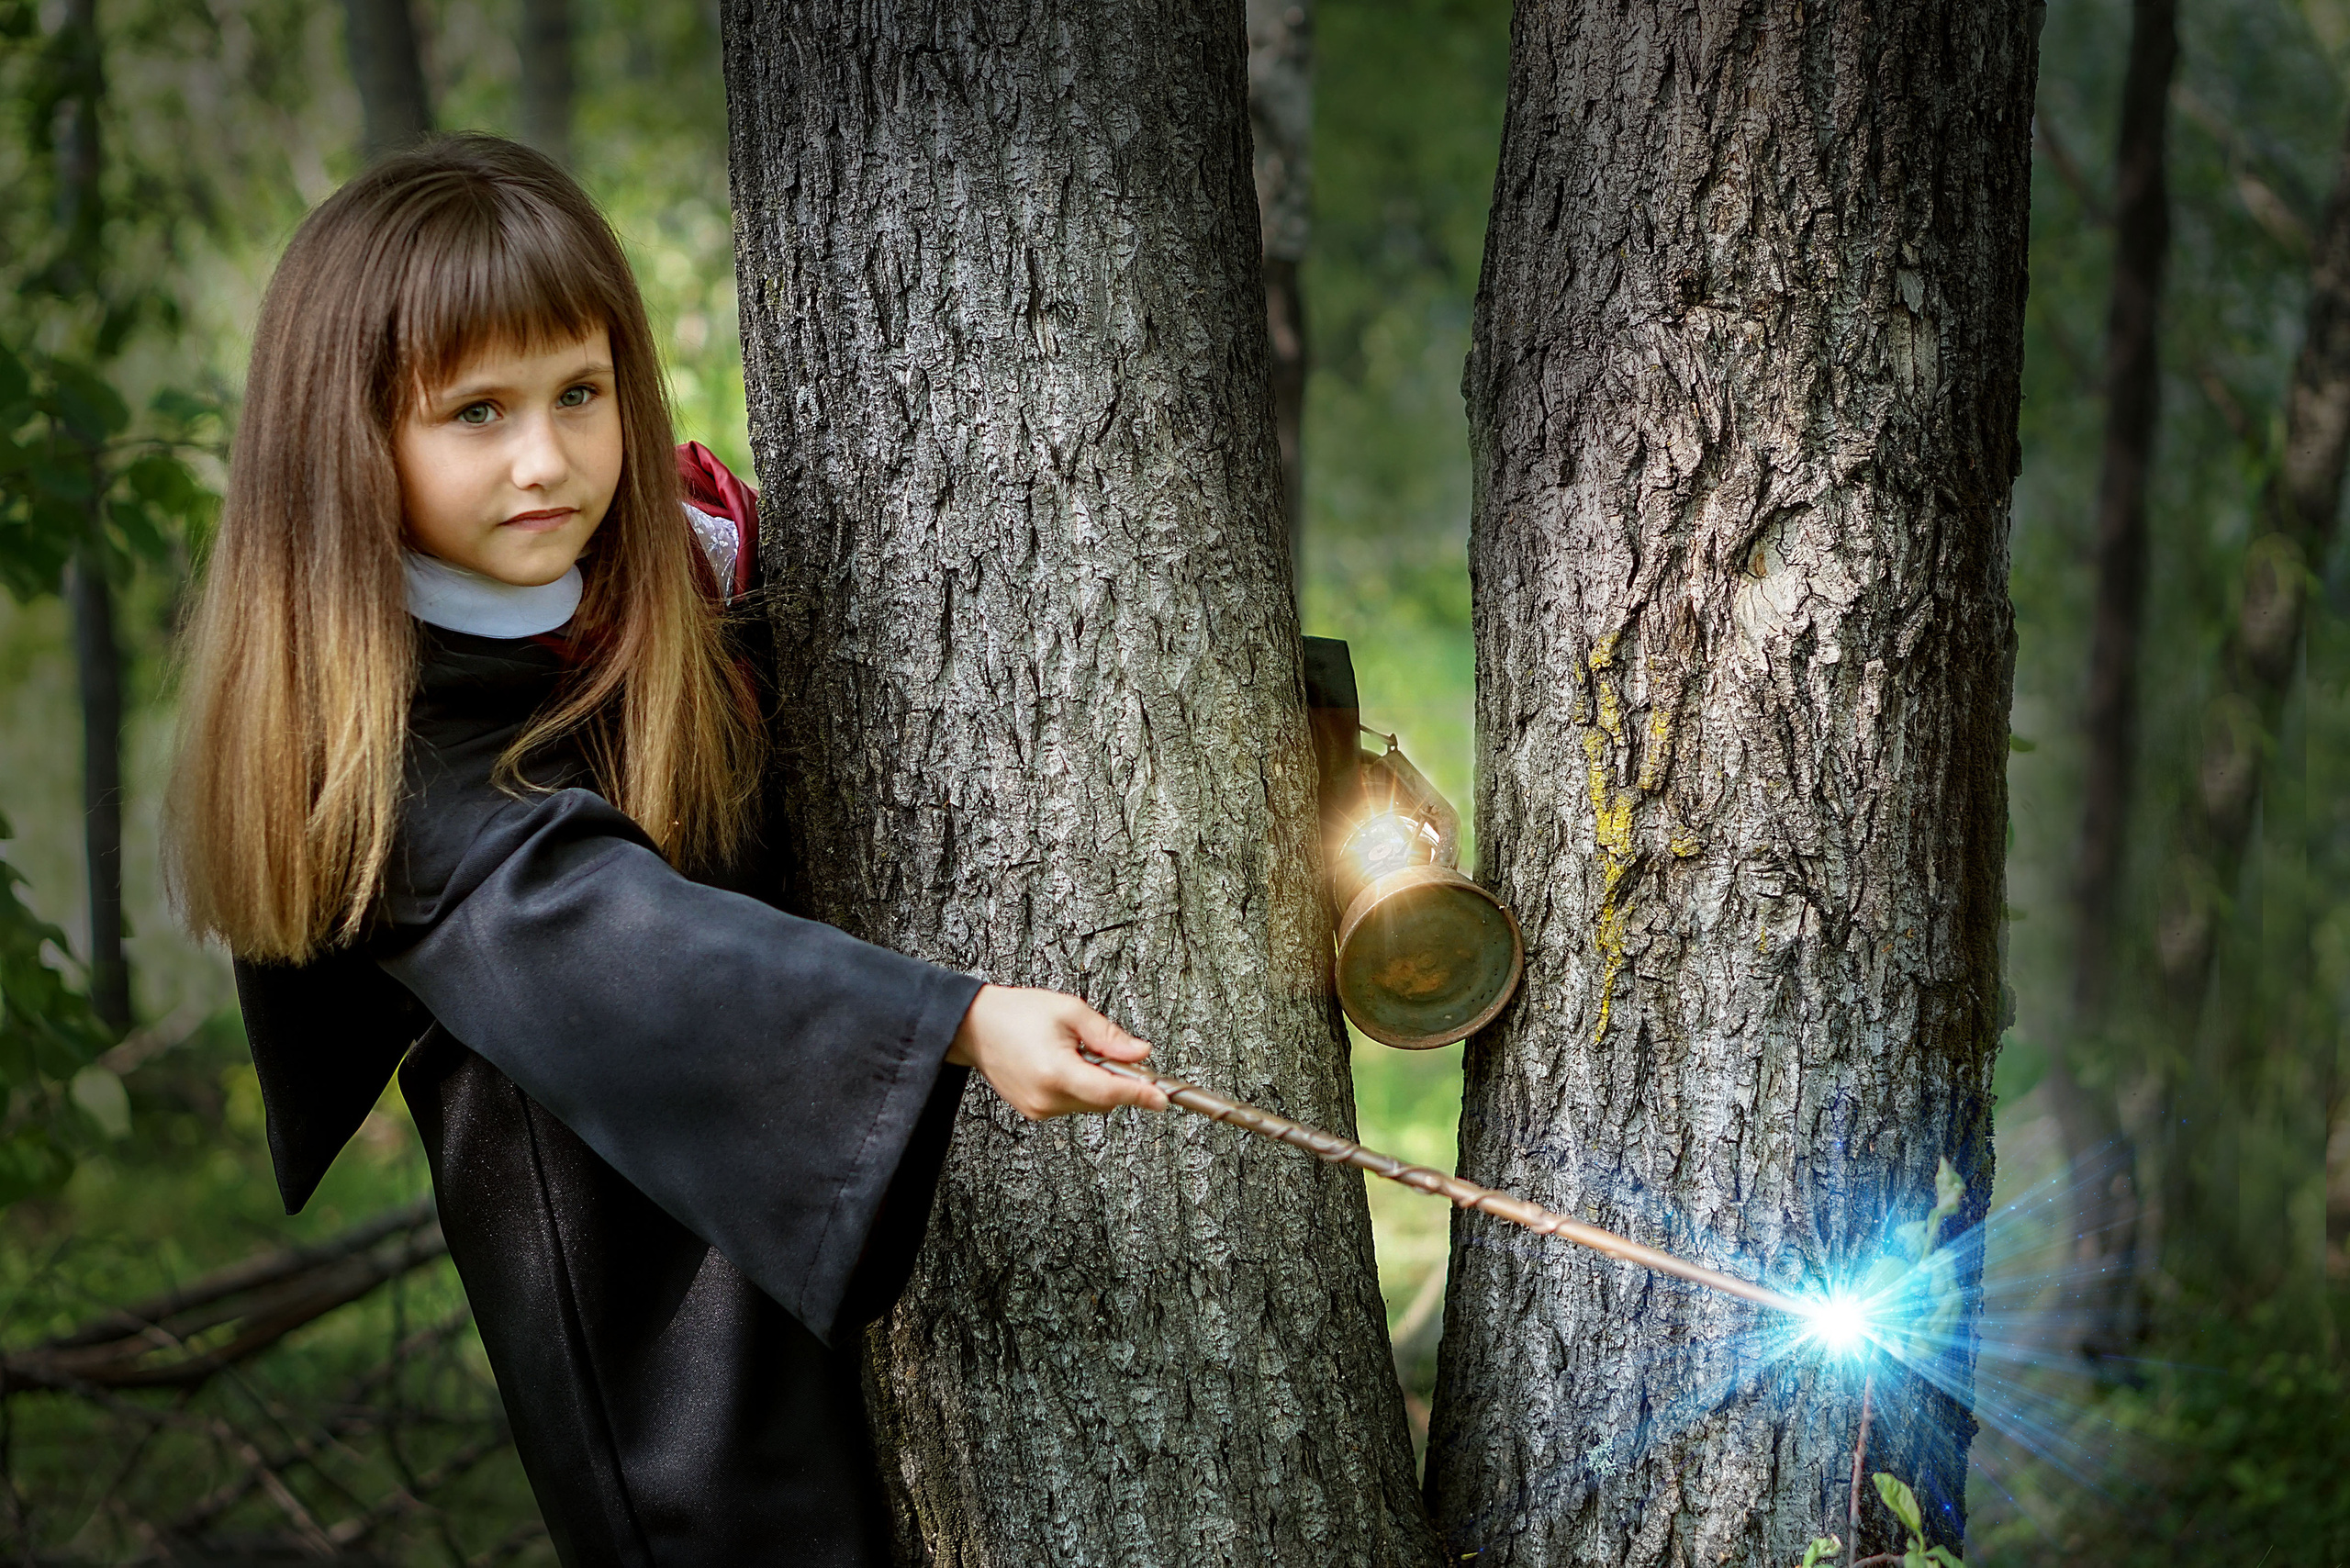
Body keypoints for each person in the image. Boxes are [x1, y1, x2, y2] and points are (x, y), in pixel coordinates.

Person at [162, 133, 1166, 1568]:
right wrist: (958, 1022)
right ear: (350, 441)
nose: (545, 458)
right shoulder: (386, 762)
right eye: (475, 413)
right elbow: (614, 934)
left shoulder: (650, 589)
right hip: (648, 1316)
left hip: (756, 1218)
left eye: (579, 394)